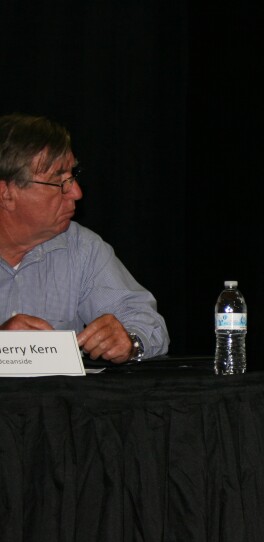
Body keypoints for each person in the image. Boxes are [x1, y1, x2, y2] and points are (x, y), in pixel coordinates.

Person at [0, 113, 169, 363]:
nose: (77, 193)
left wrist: (129, 341)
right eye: (59, 182)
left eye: (73, 176)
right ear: (6, 193)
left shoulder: (81, 248)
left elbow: (147, 324)